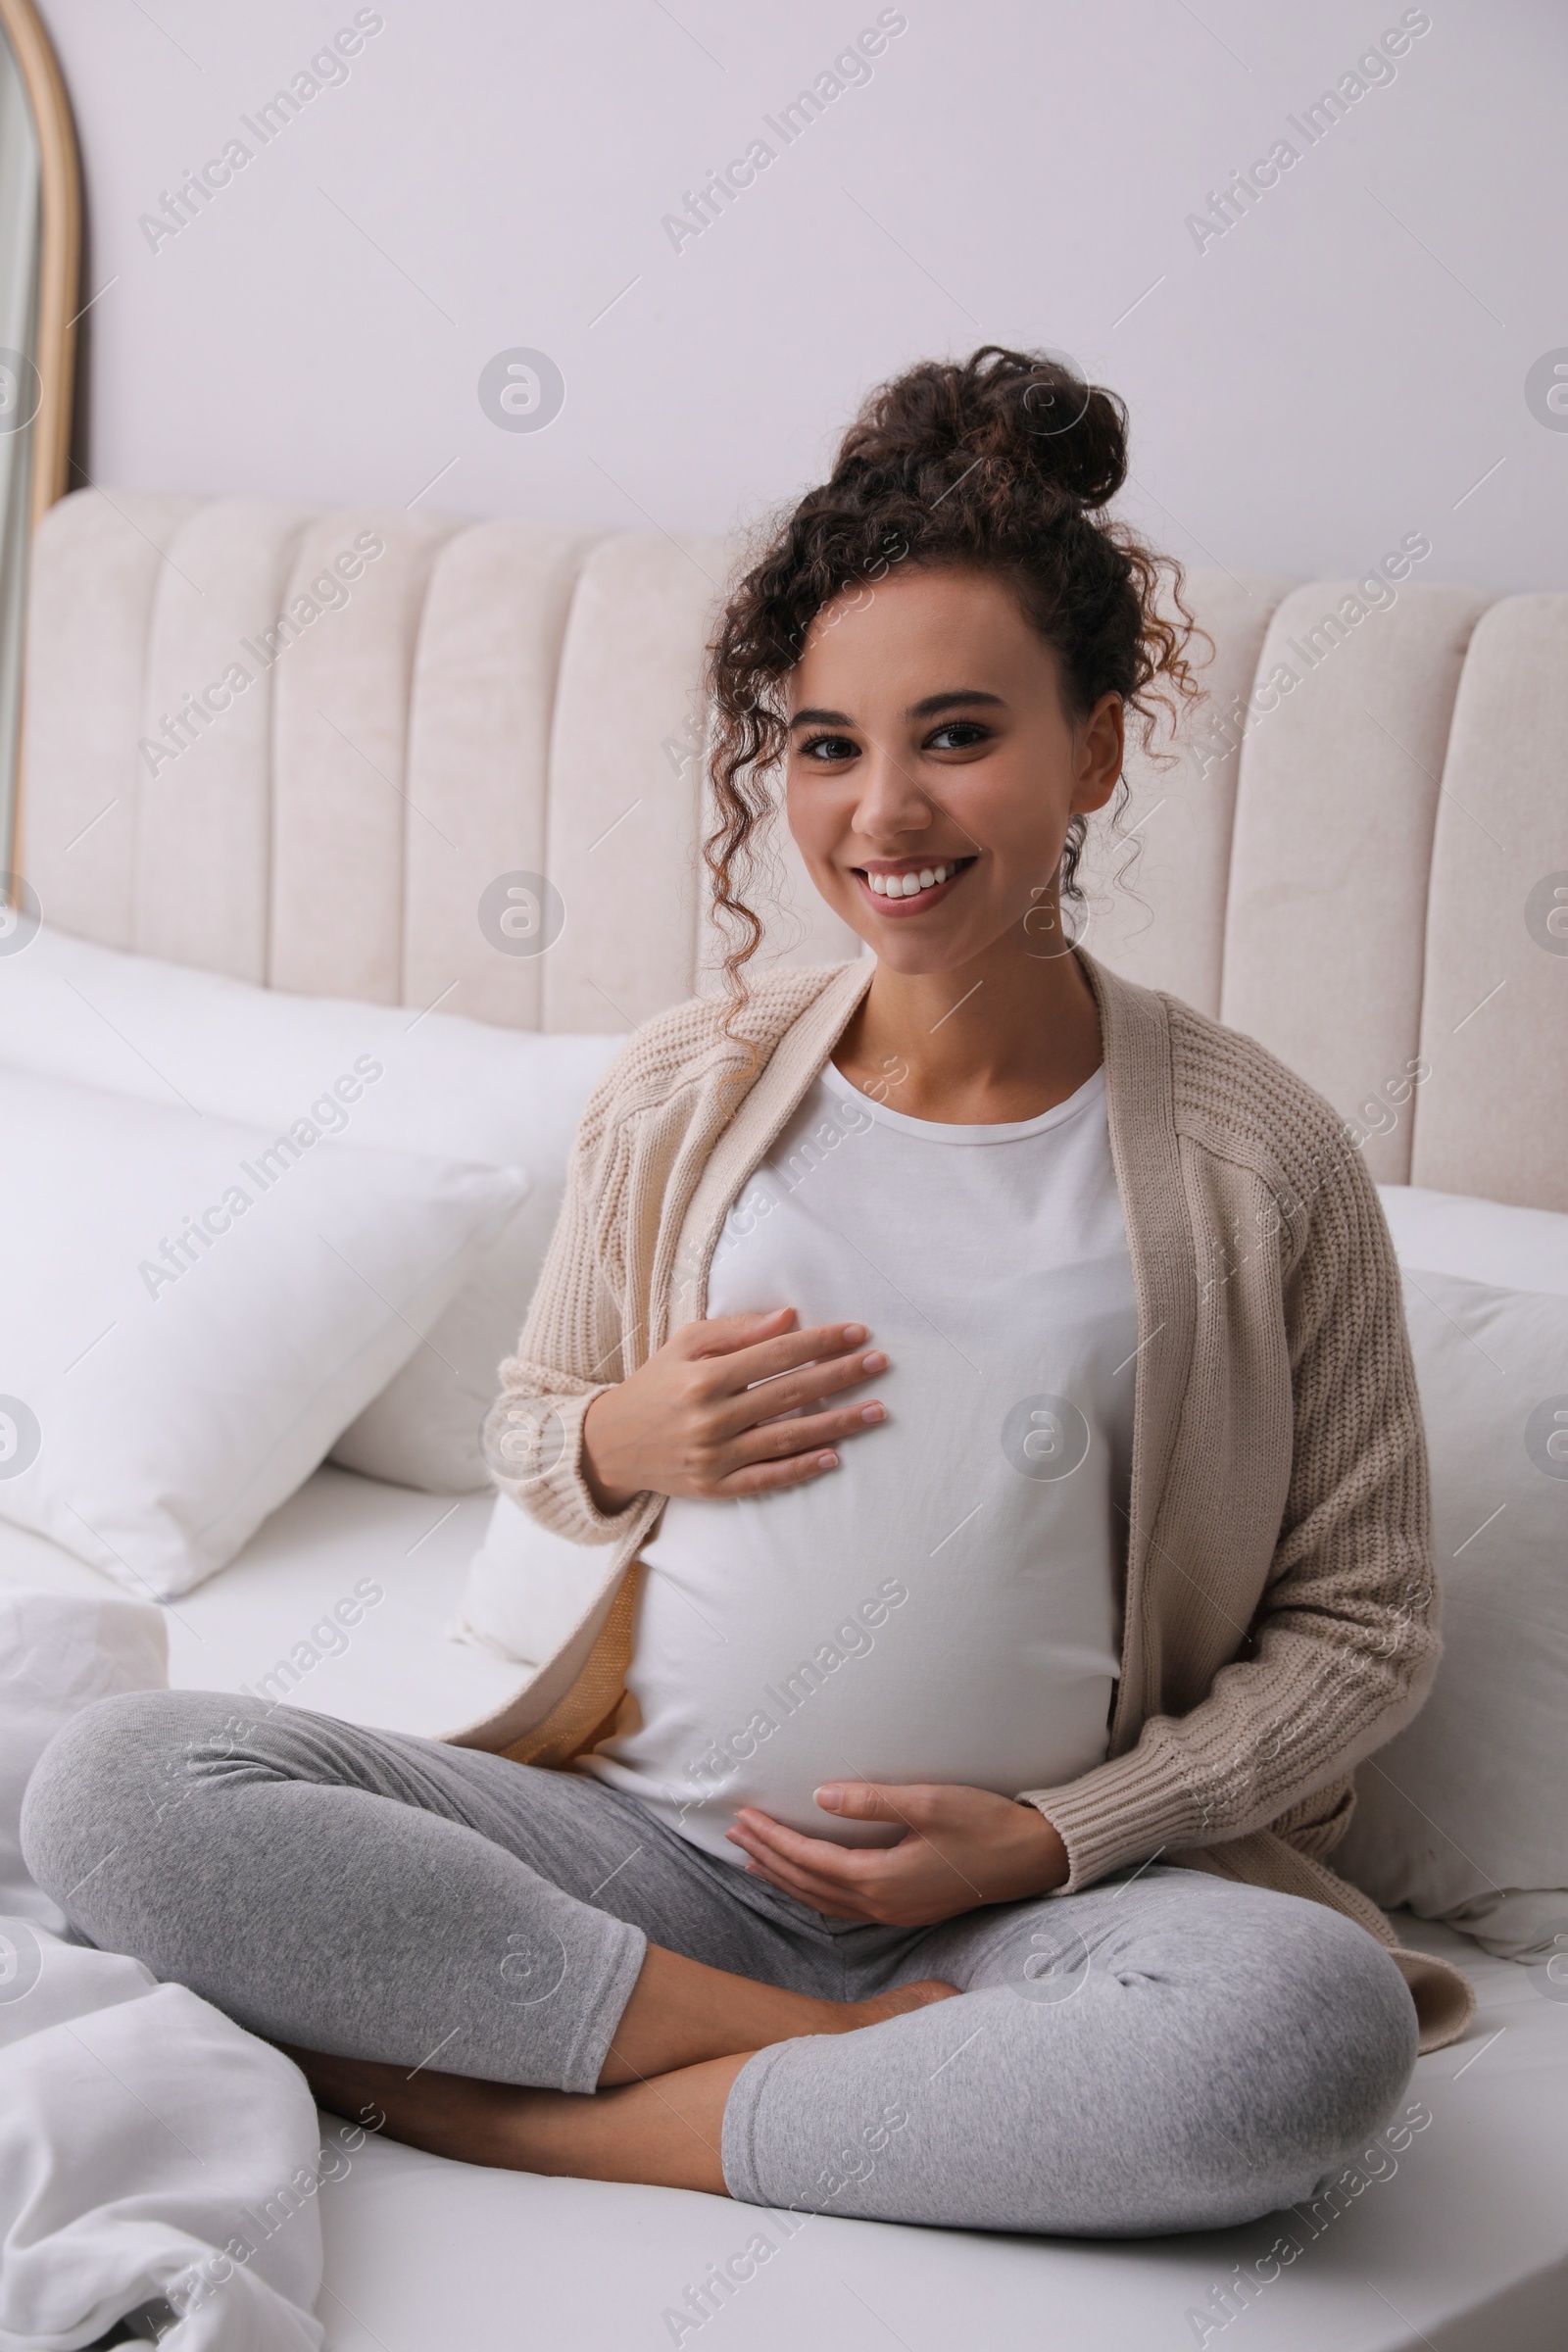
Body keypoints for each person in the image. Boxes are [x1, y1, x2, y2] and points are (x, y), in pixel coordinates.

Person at [22, 346, 1471, 2238]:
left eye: (960, 735)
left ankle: (549, 2114)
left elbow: (1363, 1628)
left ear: (1096, 747)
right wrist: (623, 1437)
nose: (884, 813)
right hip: (645, 1856)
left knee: (1306, 2033)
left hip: (1041, 1918)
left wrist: (1052, 1834)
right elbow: (538, 1433)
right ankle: (774, 2040)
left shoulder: (1260, 1160)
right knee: (116, 1785)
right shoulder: (687, 1088)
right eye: (825, 745)